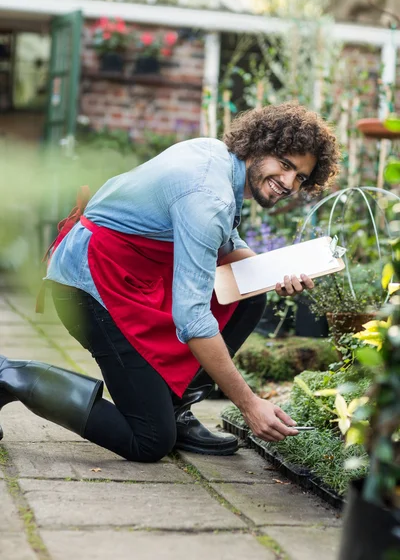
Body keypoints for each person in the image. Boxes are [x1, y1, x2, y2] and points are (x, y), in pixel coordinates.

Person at [0, 102, 340, 462]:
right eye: (285, 164)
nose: (289, 182)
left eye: (300, 176)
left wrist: (275, 274)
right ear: (259, 144)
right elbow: (192, 320)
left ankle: (177, 412)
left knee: (247, 294)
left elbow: (228, 246)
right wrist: (249, 403)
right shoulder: (208, 197)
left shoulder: (219, 161)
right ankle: (10, 374)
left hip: (133, 275)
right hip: (87, 288)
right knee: (149, 441)